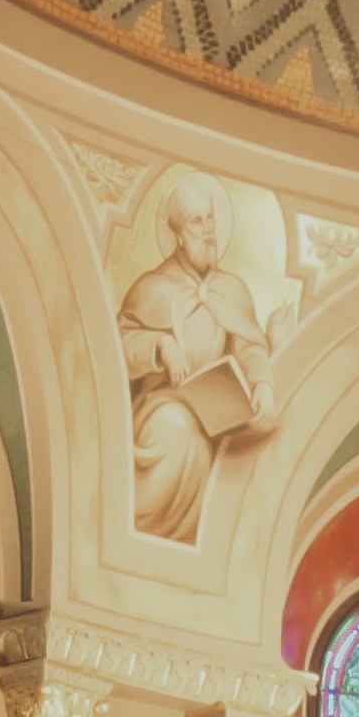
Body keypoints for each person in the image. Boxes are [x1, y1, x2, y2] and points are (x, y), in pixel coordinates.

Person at [120, 177, 277, 537]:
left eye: (210, 220)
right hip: (163, 402)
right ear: (178, 233)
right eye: (197, 221)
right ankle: (145, 532)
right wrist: (161, 347)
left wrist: (263, 385)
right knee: (179, 430)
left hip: (219, 411)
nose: (208, 231)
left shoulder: (231, 289)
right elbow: (121, 341)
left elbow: (249, 346)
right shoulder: (151, 287)